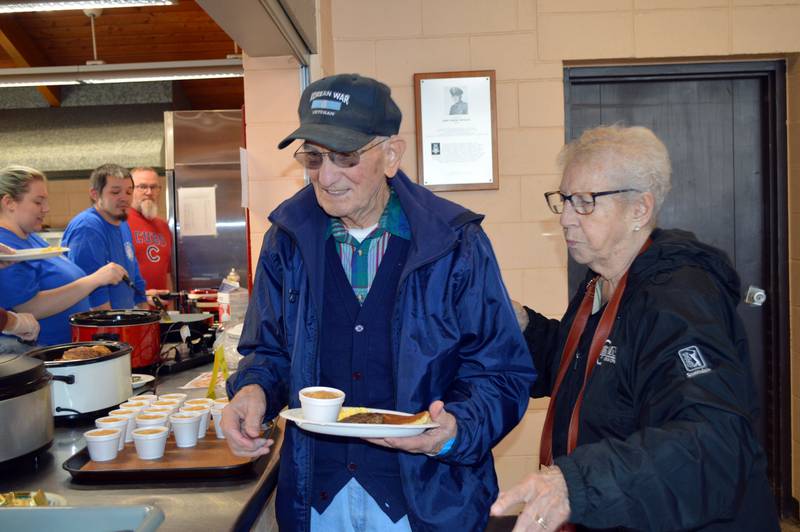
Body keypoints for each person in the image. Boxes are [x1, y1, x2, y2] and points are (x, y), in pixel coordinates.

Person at [221, 73, 535, 532]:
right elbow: (267, 353)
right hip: (317, 501)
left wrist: (456, 429)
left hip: (428, 501)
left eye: (345, 157)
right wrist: (253, 392)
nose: (326, 177)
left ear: (391, 155)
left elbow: (503, 374)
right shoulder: (285, 242)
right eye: (313, 157)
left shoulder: (454, 243)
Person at [490, 125, 779, 531]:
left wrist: (576, 484)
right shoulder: (602, 281)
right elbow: (585, 371)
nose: (566, 219)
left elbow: (715, 443)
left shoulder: (677, 298)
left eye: (585, 202)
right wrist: (521, 324)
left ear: (640, 209)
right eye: (565, 200)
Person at [0, 165, 127, 347]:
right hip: (38, 354)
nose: (46, 208)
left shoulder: (32, 239)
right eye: (38, 202)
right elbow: (29, 307)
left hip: (65, 350)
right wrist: (95, 280)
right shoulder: (5, 246)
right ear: (9, 202)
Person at [62, 163, 147, 310]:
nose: (124, 198)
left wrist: (145, 311)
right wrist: (109, 329)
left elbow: (134, 274)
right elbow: (93, 291)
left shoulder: (122, 223)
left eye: (128, 192)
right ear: (95, 194)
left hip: (123, 318)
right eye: (115, 192)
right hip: (103, 323)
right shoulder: (87, 227)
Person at [127, 167, 173, 297]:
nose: (149, 192)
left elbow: (166, 273)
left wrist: (169, 305)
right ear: (130, 190)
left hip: (161, 309)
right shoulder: (120, 223)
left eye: (154, 187)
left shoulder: (163, 226)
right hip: (135, 308)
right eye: (142, 187)